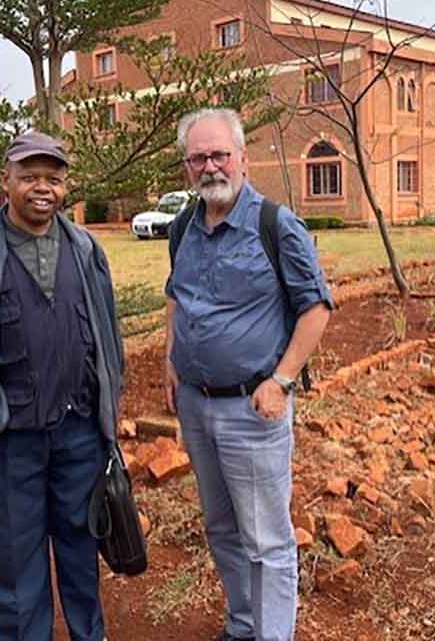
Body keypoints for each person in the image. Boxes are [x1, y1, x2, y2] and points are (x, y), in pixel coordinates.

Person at [0, 130, 123, 641]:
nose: (43, 188)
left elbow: (107, 336)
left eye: (53, 179)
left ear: (65, 187)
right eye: (30, 177)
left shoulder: (86, 250)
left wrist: (110, 407)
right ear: (7, 181)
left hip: (80, 433)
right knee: (17, 565)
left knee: (82, 553)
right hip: (10, 439)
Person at [164, 108, 333, 641]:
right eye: (198, 158)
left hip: (251, 410)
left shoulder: (275, 226)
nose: (210, 166)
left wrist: (281, 381)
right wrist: (171, 361)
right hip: (196, 404)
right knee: (222, 530)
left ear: (241, 157)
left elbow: (317, 308)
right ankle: (241, 627)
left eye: (219, 155)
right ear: (187, 166)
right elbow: (177, 296)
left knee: (266, 539)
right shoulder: (183, 227)